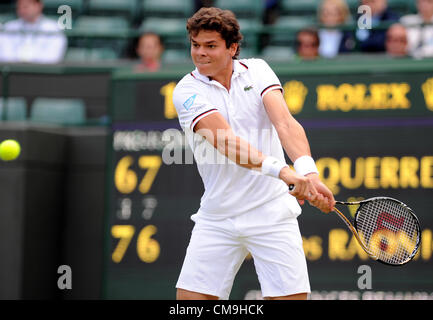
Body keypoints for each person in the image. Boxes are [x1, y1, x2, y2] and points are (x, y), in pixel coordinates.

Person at [172, 7, 335, 300]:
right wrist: (284, 171)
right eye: (196, 45)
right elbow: (226, 142)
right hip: (218, 217)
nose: (200, 53)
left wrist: (309, 173)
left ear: (232, 48)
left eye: (211, 46)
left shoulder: (257, 70)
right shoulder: (186, 90)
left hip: (272, 213)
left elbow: (284, 122)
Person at [0, 0, 67, 64]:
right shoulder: (9, 27)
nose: (22, 10)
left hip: (42, 74)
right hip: (13, 73)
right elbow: (5, 56)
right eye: (19, 6)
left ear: (39, 6)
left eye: (26, 6)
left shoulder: (53, 28)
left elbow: (52, 58)